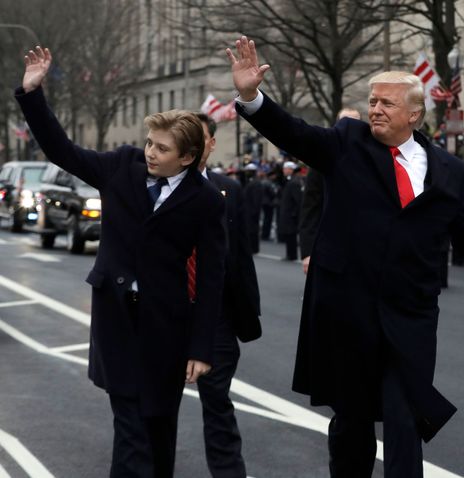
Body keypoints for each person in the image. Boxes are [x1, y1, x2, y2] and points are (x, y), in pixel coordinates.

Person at [226, 36, 464, 477]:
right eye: (372, 101)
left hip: (411, 316)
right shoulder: (347, 143)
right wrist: (252, 97)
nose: (376, 110)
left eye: (387, 103)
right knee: (353, 423)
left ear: (414, 113)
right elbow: (295, 133)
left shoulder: (448, 170)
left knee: (406, 417)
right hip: (349, 313)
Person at [17, 47, 227, 476]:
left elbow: (211, 275)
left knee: (158, 427)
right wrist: (32, 93)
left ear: (186, 158)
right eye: (150, 143)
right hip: (116, 321)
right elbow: (62, 150)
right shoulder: (121, 166)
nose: (150, 153)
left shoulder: (204, 199)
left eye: (162, 149)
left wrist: (201, 348)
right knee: (130, 424)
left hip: (166, 327)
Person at [194, 113, 262, 477]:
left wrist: (247, 312)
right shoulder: (153, 187)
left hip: (218, 316)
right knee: (156, 408)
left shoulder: (229, 190)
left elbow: (241, 255)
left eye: (200, 137)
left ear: (211, 143)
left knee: (217, 400)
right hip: (169, 314)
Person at [299, 108, 362, 275]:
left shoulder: (371, 160)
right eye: (344, 123)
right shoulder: (321, 161)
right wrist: (307, 252)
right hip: (330, 247)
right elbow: (310, 208)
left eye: (355, 123)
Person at [278, 160, 303, 261]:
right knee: (288, 235)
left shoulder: (294, 182)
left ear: (290, 170)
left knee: (291, 235)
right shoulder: (290, 181)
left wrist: (294, 213)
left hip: (291, 214)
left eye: (285, 168)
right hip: (288, 213)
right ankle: (289, 254)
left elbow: (298, 200)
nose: (283, 170)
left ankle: (292, 255)